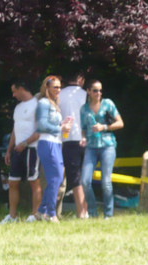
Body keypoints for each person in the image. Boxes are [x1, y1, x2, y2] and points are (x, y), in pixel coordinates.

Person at [80, 79, 124, 219]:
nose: (98, 93)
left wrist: (104, 127)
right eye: (95, 90)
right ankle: (92, 213)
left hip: (107, 145)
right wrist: (83, 138)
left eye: (100, 90)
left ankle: (108, 215)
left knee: (106, 182)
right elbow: (83, 129)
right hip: (91, 147)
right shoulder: (84, 109)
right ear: (88, 92)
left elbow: (120, 123)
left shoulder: (108, 104)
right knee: (85, 181)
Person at [3, 79, 41, 223]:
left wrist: (25, 143)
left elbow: (40, 130)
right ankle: (12, 216)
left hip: (32, 149)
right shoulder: (18, 108)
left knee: (34, 182)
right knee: (13, 182)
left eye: (14, 91)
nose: (13, 95)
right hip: (17, 150)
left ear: (21, 88)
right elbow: (15, 129)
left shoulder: (36, 105)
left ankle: (34, 215)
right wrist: (9, 149)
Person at [34, 75, 71, 223]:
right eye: (55, 87)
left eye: (60, 87)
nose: (58, 90)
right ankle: (50, 213)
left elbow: (56, 127)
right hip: (47, 144)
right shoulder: (43, 103)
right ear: (47, 87)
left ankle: (41, 211)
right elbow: (41, 126)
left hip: (56, 143)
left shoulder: (54, 104)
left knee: (56, 178)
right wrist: (60, 127)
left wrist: (64, 124)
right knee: (55, 177)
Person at [59, 72, 88, 218]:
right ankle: (85, 210)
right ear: (81, 79)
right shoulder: (86, 94)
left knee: (74, 176)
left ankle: (82, 212)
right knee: (84, 176)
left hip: (67, 139)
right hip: (87, 139)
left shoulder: (59, 95)